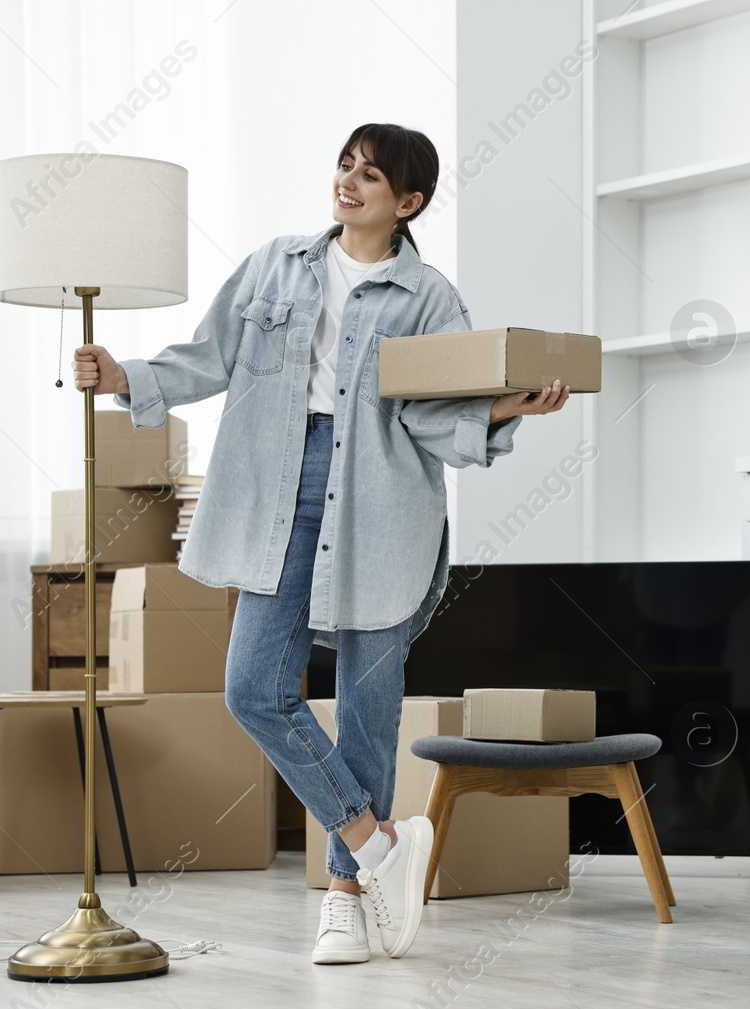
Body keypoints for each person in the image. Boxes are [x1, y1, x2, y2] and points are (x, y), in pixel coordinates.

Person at [72, 122, 569, 964]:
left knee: (368, 706)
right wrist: (127, 378)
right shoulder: (276, 264)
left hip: (382, 500)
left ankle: (346, 894)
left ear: (407, 202)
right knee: (253, 688)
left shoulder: (430, 298)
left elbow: (429, 416)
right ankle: (380, 845)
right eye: (346, 165)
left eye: (371, 176)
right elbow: (210, 356)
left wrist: (503, 411)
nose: (350, 182)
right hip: (276, 487)